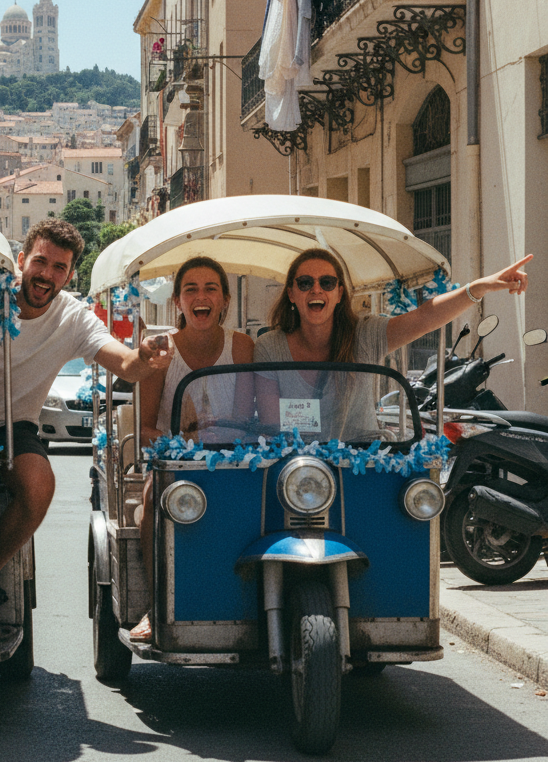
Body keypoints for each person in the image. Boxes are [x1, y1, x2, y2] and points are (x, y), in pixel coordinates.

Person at [0, 218, 173, 572]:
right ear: (21, 260)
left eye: (59, 268)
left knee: (40, 486)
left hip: (14, 428)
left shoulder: (74, 317)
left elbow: (126, 365)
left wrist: (145, 356)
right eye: (40, 261)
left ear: (69, 277)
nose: (46, 274)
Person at [254, 247, 533, 438]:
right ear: (291, 293)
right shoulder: (269, 347)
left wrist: (479, 287)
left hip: (361, 464)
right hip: (294, 469)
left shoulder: (365, 334)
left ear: (339, 293)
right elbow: (269, 425)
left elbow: (424, 317)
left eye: (326, 282)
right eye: (305, 283)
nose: (316, 289)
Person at [130, 256, 255, 643]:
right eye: (191, 290)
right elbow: (142, 429)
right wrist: (183, 442)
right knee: (154, 495)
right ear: (178, 303)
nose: (201, 297)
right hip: (174, 463)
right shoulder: (161, 351)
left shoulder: (243, 346)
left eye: (210, 289)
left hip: (232, 462)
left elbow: (247, 423)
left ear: (224, 300)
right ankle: (156, 604)